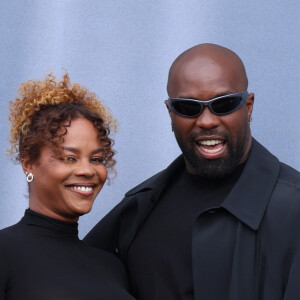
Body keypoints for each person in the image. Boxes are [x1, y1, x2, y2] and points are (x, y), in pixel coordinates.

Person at [84, 43, 300, 300]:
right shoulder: (139, 209)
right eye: (188, 107)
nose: (207, 121)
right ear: (170, 112)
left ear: (249, 106)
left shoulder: (293, 209)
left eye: (224, 104)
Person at [0, 73, 135, 299]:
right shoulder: (5, 253)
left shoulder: (112, 267)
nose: (87, 170)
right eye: (69, 158)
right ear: (29, 163)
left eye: (96, 159)